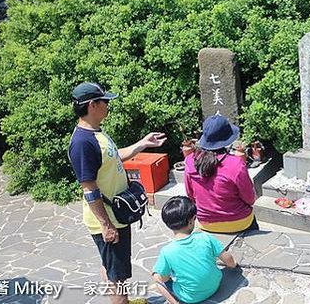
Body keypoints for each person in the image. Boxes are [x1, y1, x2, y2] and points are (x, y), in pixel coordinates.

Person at [68, 82, 167, 304]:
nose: (108, 105)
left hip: (116, 216)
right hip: (110, 220)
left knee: (112, 268)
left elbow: (112, 157)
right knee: (118, 276)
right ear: (93, 105)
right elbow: (89, 188)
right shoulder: (83, 143)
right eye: (105, 101)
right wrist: (106, 225)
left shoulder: (95, 133)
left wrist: (142, 144)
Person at [152, 196, 236, 304]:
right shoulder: (205, 237)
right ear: (191, 220)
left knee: (158, 275)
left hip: (190, 298)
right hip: (215, 285)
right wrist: (233, 265)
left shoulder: (167, 251)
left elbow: (161, 279)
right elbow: (228, 258)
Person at [184, 114, 258, 233]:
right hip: (239, 221)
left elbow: (190, 195)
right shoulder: (236, 164)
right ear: (228, 140)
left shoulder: (189, 161)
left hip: (206, 222)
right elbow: (250, 199)